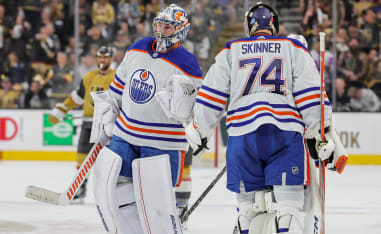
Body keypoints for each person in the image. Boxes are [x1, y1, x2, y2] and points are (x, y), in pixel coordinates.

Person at [185, 3, 347, 233]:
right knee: (288, 212)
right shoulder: (291, 47)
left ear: (248, 27)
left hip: (242, 136)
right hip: (283, 134)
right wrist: (319, 130)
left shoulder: (231, 49)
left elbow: (212, 94)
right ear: (274, 25)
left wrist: (199, 129)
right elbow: (310, 94)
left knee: (246, 212)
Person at [91, 4, 202, 234]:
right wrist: (107, 114)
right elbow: (117, 90)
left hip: (163, 141)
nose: (161, 30)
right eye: (159, 25)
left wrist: (181, 106)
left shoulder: (188, 63)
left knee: (156, 203)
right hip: (125, 134)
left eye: (168, 27)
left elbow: (192, 110)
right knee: (118, 193)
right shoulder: (138, 48)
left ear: (180, 30)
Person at [47, 46, 115, 202]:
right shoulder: (88, 77)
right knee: (81, 158)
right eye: (100, 57)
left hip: (107, 126)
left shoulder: (116, 77)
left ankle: (109, 190)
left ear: (110, 59)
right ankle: (80, 188)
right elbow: (77, 97)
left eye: (105, 57)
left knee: (108, 160)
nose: (102, 60)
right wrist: (61, 110)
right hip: (87, 124)